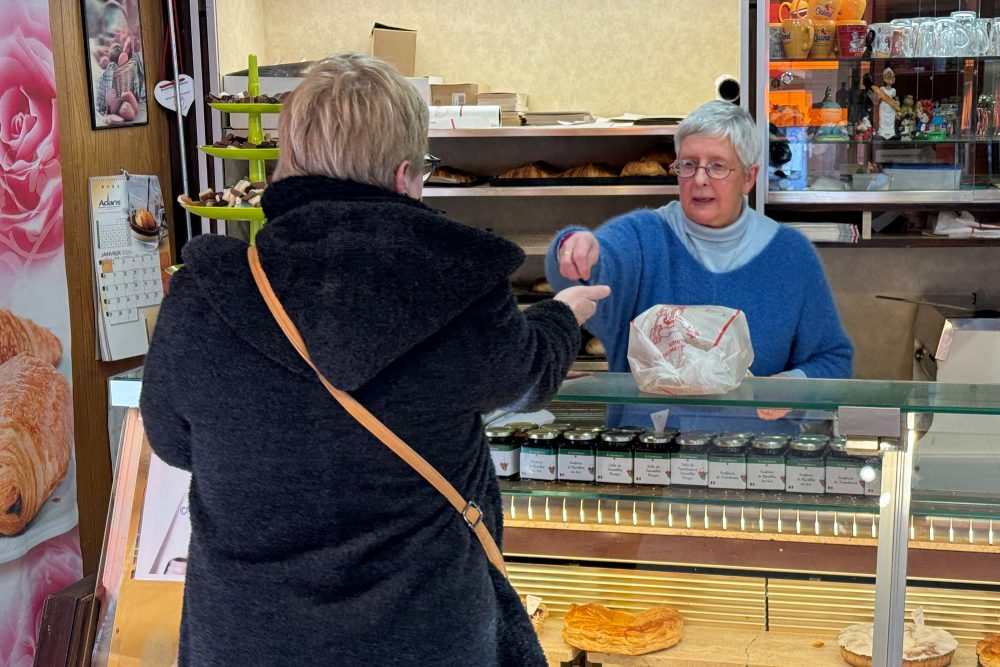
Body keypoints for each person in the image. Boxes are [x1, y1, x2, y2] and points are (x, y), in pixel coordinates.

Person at [141, 52, 609, 666]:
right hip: (426, 637)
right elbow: (524, 377)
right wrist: (563, 313)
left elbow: (173, 444)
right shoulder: (459, 285)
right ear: (404, 175)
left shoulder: (206, 294)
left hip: (247, 639)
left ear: (287, 164)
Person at [545, 100, 852, 432]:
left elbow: (832, 360)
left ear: (749, 177)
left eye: (717, 166)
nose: (700, 179)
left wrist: (795, 384)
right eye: (689, 165)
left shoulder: (791, 256)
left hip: (756, 463)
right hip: (647, 460)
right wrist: (575, 247)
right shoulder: (642, 237)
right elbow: (592, 268)